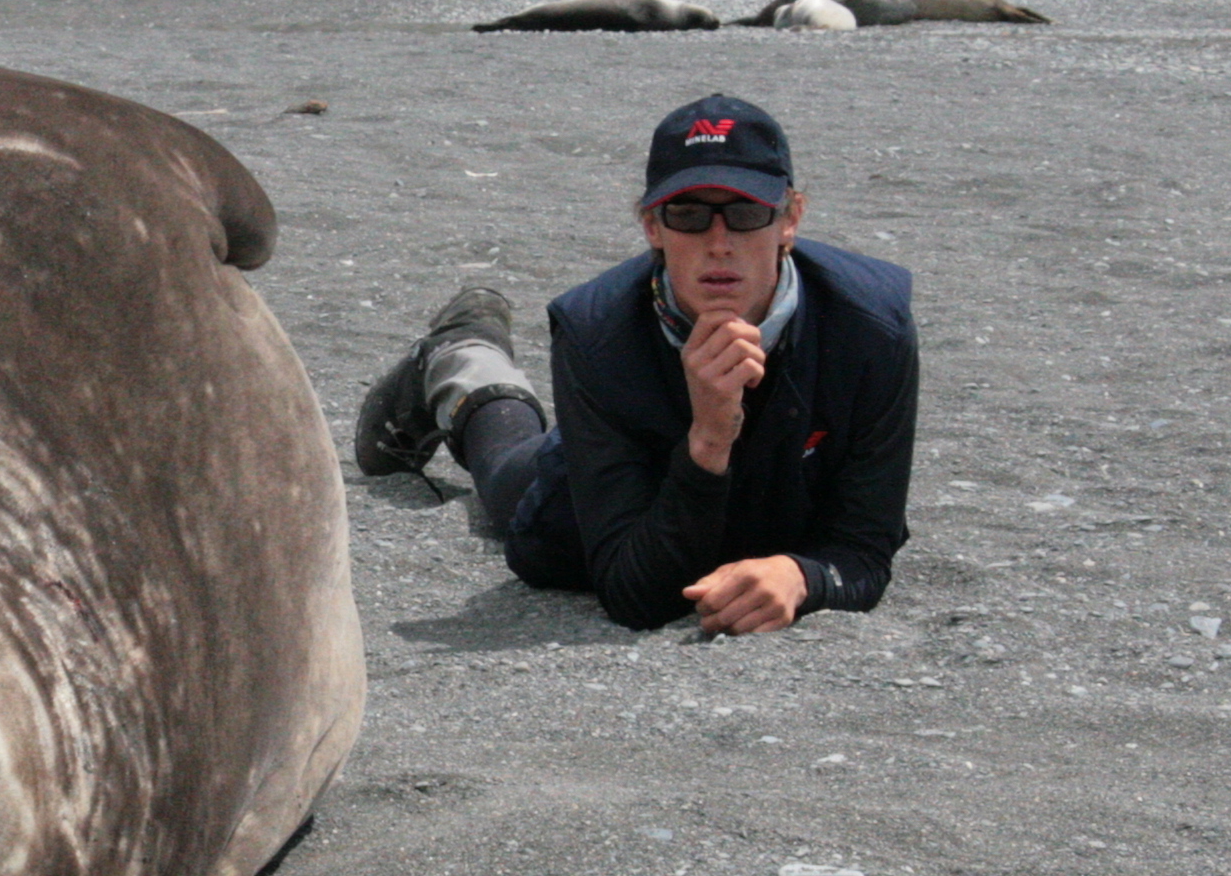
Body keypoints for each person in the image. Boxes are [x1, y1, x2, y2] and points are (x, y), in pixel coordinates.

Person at [354, 92, 916, 634]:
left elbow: (866, 549)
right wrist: (710, 438)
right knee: (506, 477)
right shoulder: (597, 334)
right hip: (625, 496)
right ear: (653, 226)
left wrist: (802, 577)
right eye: (689, 215)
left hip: (775, 499)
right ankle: (462, 357)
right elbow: (633, 595)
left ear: (789, 220)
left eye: (746, 213)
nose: (719, 243)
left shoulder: (870, 327)